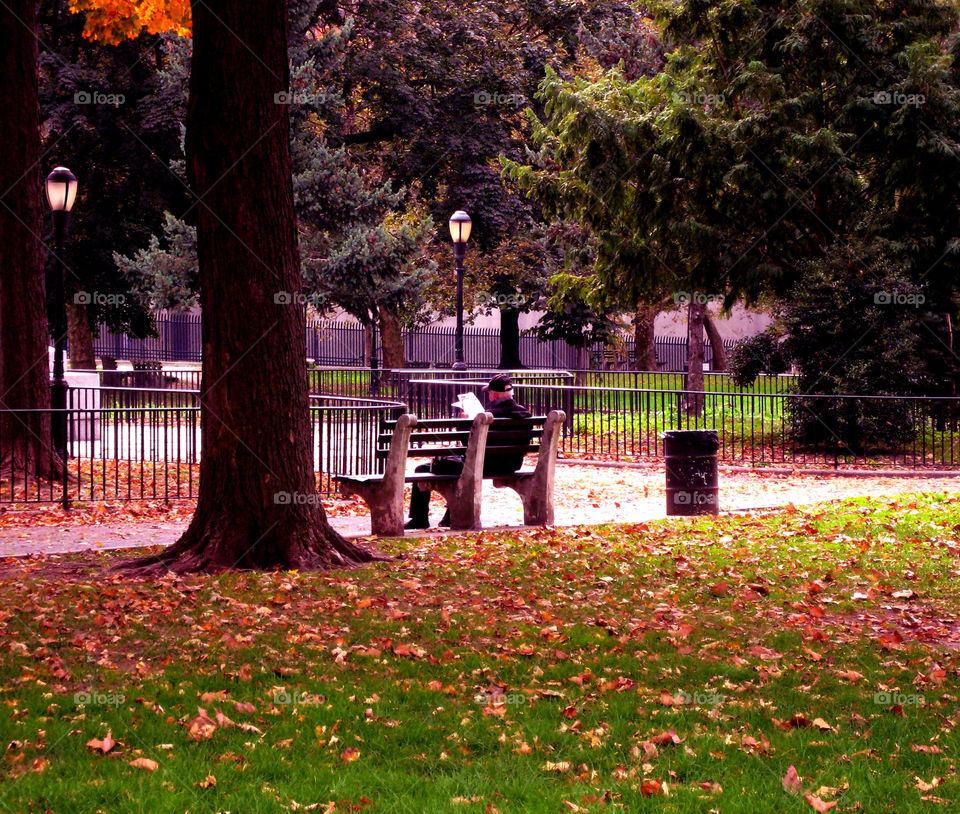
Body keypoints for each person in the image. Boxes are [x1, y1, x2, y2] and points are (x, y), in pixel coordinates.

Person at [406, 374, 532, 529]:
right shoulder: (525, 414)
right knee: (458, 467)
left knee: (422, 469)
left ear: (495, 394)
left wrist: (463, 423)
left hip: (482, 465)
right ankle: (449, 517)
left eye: (490, 393)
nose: (489, 396)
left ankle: (419, 519)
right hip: (511, 465)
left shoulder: (488, 416)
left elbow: (469, 445)